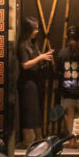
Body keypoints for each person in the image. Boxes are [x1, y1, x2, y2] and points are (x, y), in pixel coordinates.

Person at [17, 17, 53, 147]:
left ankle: (39, 138)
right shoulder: (23, 45)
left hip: (35, 81)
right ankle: (29, 140)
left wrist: (44, 57)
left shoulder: (33, 44)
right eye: (35, 28)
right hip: (27, 83)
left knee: (35, 111)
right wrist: (40, 57)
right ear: (29, 29)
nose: (37, 31)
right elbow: (25, 65)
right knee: (29, 111)